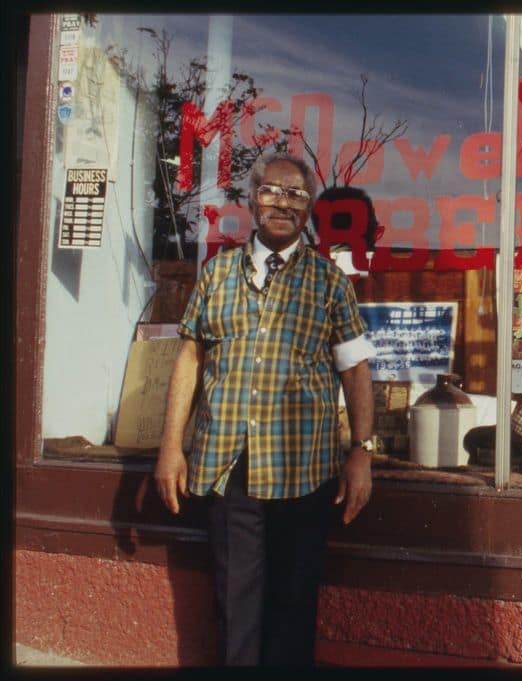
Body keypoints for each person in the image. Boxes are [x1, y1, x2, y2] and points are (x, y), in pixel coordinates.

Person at [154, 152, 377, 666]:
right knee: (235, 608)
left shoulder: (329, 283)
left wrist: (361, 451)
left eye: (297, 194)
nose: (283, 203)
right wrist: (171, 447)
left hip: (305, 472)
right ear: (253, 199)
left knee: (293, 610)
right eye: (272, 191)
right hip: (229, 468)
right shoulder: (217, 274)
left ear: (310, 209)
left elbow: (355, 371)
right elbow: (190, 358)